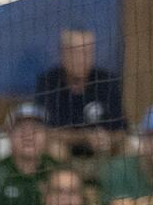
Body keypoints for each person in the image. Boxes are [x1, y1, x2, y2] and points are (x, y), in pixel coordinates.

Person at [35, 26, 125, 161]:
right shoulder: (48, 83)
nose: (81, 58)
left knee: (127, 147)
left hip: (103, 155)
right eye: (75, 52)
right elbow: (45, 132)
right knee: (55, 148)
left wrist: (107, 139)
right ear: (62, 53)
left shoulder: (107, 81)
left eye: (86, 52)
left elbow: (122, 131)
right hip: (66, 156)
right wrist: (84, 137)